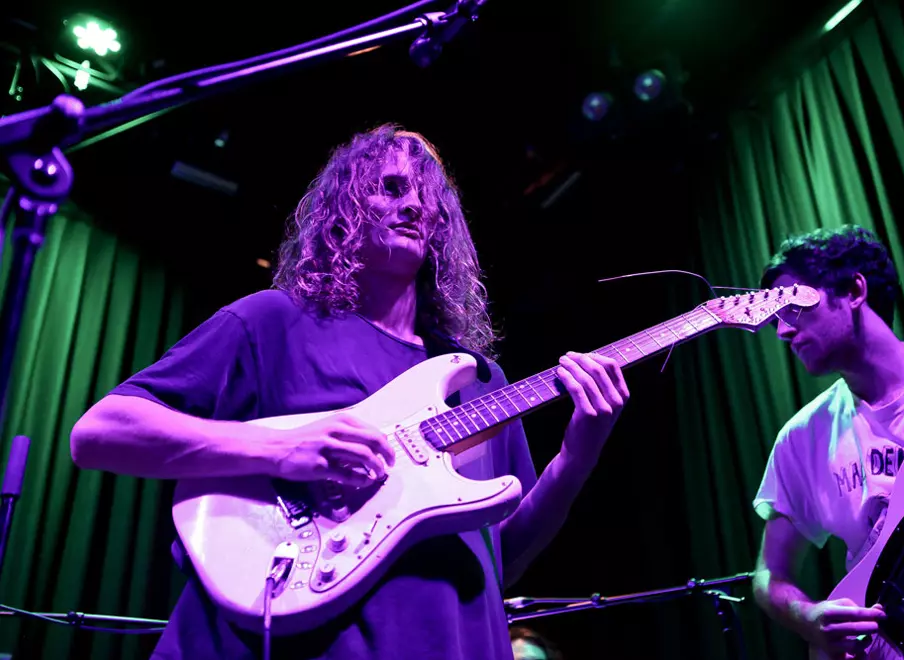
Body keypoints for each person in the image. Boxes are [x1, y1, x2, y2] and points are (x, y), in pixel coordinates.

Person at [69, 124, 630, 659]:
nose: (414, 205)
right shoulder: (274, 322)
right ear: (344, 210)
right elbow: (100, 433)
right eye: (391, 188)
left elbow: (501, 558)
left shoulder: (480, 381)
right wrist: (281, 450)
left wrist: (578, 455)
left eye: (427, 197)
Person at [750, 224, 904, 659]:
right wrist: (808, 618)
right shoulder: (801, 440)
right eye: (775, 321)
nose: (782, 332)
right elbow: (770, 574)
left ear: (854, 290)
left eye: (793, 308)